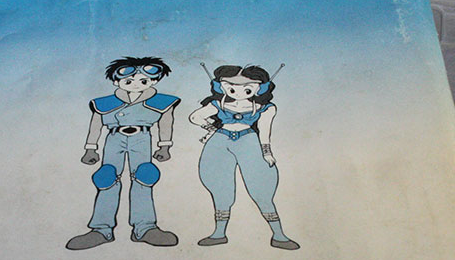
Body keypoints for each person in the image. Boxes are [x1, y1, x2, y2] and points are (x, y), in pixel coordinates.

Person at [68, 54, 179, 246]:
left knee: (144, 176)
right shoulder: (104, 103)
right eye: (128, 81)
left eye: (143, 80)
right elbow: (96, 124)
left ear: (153, 81)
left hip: (142, 138)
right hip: (114, 138)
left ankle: (144, 227)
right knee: (107, 178)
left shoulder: (161, 102)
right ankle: (101, 229)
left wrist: (164, 145)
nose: (136, 85)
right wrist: (91, 148)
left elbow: (166, 122)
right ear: (116, 82)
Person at [192, 64, 299, 247]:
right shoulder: (218, 104)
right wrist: (212, 128)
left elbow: (264, 131)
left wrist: (266, 152)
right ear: (221, 86)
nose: (239, 91)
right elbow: (195, 117)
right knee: (220, 187)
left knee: (262, 188)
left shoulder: (265, 108)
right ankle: (219, 233)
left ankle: (279, 235)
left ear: (260, 88)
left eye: (247, 88)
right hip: (220, 141)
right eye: (232, 86)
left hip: (249, 141)